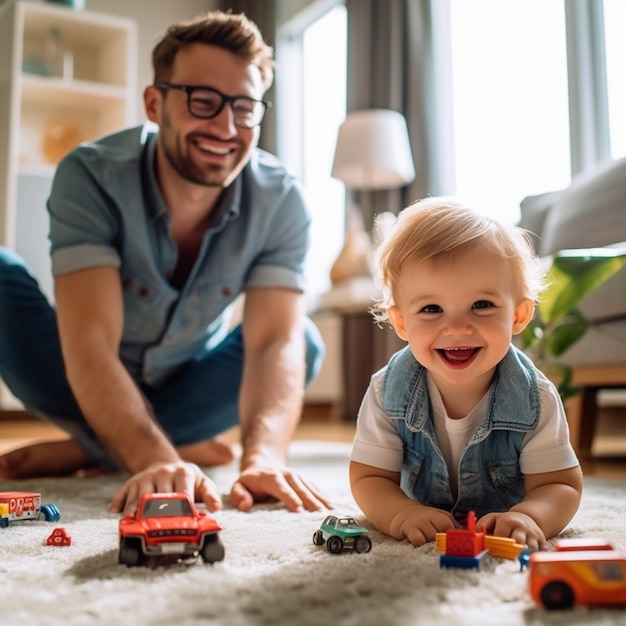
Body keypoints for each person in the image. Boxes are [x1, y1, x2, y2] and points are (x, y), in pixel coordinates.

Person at [0, 10, 331, 516]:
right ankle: (157, 442)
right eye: (203, 101)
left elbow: (272, 342)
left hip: (188, 383)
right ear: (155, 104)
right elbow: (89, 346)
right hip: (75, 370)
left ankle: (91, 448)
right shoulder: (89, 175)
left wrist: (262, 457)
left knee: (302, 338)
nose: (225, 126)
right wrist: (157, 462)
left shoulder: (283, 200)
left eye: (244, 108)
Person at [349, 197, 583, 551]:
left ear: (518, 316)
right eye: (431, 309)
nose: (457, 328)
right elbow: (370, 477)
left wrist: (531, 515)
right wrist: (401, 514)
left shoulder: (533, 398)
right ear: (401, 322)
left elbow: (559, 485)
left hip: (501, 519)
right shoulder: (388, 391)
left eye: (482, 305)